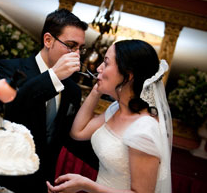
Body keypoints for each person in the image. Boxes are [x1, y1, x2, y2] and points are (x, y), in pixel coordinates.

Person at [0, 8, 98, 192]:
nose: (77, 54)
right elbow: (4, 113)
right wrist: (53, 76)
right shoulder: (9, 69)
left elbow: (66, 136)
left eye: (80, 48)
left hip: (39, 181)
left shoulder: (72, 89)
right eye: (71, 45)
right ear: (48, 40)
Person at [47, 39, 173, 193]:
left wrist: (86, 185)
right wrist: (97, 90)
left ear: (128, 74)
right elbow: (78, 132)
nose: (99, 68)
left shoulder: (144, 130)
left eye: (106, 63)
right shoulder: (116, 109)